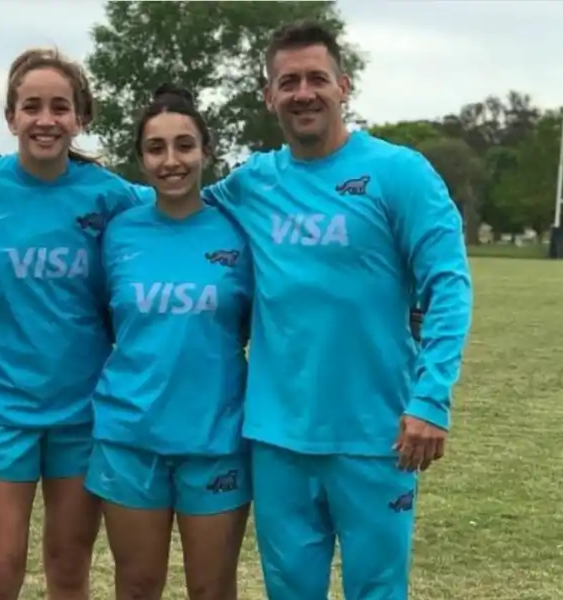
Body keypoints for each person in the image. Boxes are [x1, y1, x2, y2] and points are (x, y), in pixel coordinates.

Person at [202, 21, 473, 600]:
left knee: (377, 589)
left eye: (317, 78)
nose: (304, 92)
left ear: (344, 86)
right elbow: (174, 211)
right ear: (269, 95)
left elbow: (448, 285)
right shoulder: (253, 182)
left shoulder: (399, 172)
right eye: (289, 81)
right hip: (277, 439)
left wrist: (430, 399)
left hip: (377, 436)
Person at [0, 48, 146, 600]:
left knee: (68, 566)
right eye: (31, 106)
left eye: (59, 107)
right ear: (11, 117)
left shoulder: (111, 196)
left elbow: (178, 213)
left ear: (80, 117)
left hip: (83, 409)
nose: (45, 120)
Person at [85, 83, 252, 600]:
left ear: (206, 150)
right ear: (140, 159)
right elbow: (105, 317)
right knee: (136, 586)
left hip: (216, 438)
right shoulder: (118, 233)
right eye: (156, 148)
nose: (171, 160)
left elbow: (252, 321)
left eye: (184, 145)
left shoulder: (238, 229)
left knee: (212, 588)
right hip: (130, 437)